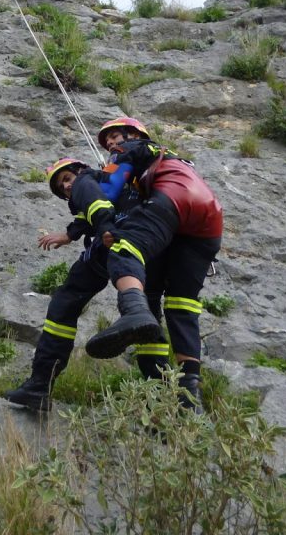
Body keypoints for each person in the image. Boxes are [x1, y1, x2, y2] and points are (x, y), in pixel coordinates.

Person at [86, 132, 223, 412]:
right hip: (205, 219)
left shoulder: (132, 148)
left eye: (114, 137)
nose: (111, 144)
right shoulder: (169, 158)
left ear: (134, 135)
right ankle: (187, 396)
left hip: (173, 198)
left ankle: (134, 312)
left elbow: (111, 188)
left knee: (124, 248)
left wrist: (89, 180)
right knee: (180, 304)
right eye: (108, 142)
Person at [4, 156, 132, 412]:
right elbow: (92, 211)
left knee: (65, 302)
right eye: (61, 187)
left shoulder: (85, 179)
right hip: (125, 240)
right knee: (144, 308)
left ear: (79, 170)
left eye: (66, 179)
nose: (66, 187)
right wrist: (70, 234)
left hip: (109, 242)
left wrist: (106, 230)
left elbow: (98, 208)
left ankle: (40, 385)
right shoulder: (104, 184)